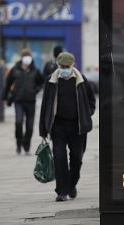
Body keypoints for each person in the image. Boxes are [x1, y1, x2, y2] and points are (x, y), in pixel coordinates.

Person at [39, 52, 96, 202]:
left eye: (67, 66)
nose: (64, 69)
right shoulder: (50, 81)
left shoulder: (81, 80)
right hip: (58, 127)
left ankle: (72, 185)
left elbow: (91, 100)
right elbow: (45, 106)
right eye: (62, 66)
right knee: (59, 158)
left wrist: (86, 113)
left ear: (73, 65)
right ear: (57, 65)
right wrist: (43, 130)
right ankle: (61, 191)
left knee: (77, 159)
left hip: (77, 127)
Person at [2, 48, 44, 154]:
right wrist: (5, 98)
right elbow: (7, 84)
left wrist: (36, 90)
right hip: (18, 101)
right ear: (22, 58)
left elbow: (41, 82)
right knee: (19, 122)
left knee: (30, 126)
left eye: (28, 56)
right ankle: (19, 143)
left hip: (31, 101)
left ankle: (27, 145)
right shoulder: (15, 69)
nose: (27, 59)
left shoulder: (35, 70)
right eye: (25, 56)